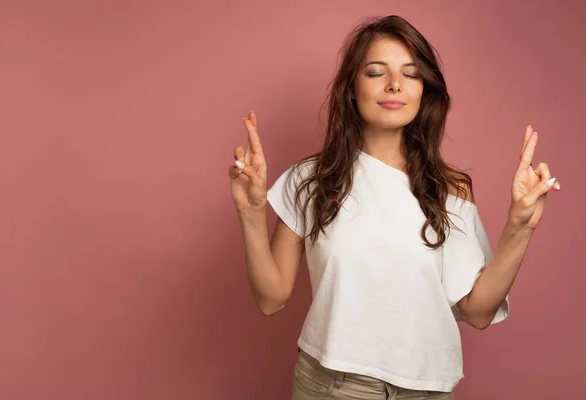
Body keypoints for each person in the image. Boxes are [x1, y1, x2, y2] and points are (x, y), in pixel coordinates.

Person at [228, 15, 560, 400]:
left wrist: (519, 227)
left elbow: (478, 312)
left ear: (425, 90)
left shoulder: (448, 188)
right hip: (333, 387)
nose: (395, 85)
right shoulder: (312, 179)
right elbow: (271, 299)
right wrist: (250, 213)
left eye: (411, 74)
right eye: (375, 72)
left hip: (428, 391)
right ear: (351, 87)